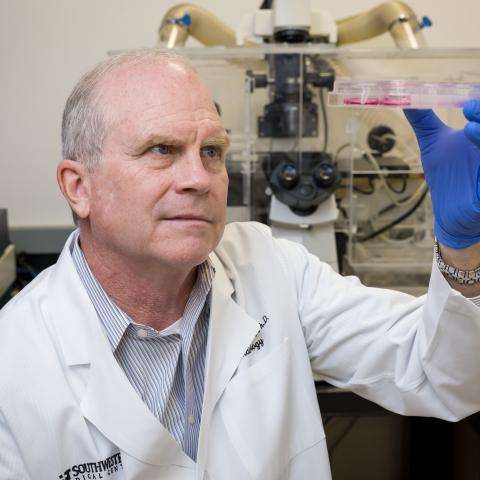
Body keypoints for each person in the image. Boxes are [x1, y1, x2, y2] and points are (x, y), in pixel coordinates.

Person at [0, 49, 480, 480]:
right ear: (78, 187)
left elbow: (444, 374)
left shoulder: (270, 265)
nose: (198, 178)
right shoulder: (14, 361)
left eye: (212, 152)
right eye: (161, 150)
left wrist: (464, 246)